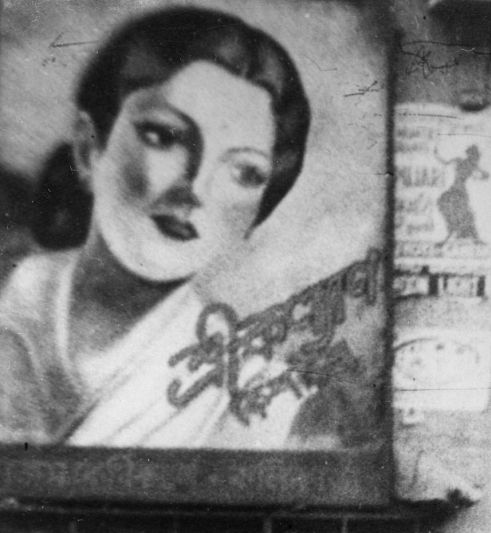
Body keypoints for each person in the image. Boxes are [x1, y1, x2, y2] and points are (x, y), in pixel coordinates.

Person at [0, 8, 313, 447]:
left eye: (244, 172)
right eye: (165, 136)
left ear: (257, 213)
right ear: (90, 148)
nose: (196, 189)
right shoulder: (13, 297)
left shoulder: (257, 396)